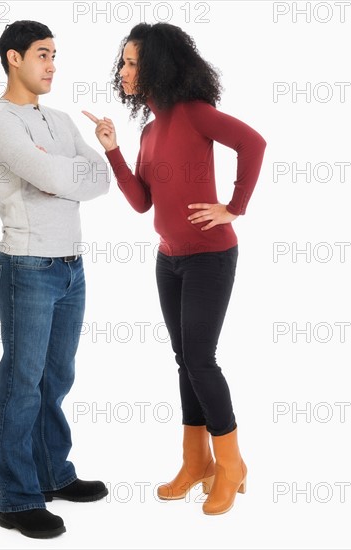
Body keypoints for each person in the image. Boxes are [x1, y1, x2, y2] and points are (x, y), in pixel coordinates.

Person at [84, 22, 266, 515]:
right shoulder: (148, 130)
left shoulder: (193, 113)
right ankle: (196, 462)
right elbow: (142, 202)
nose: (123, 70)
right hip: (168, 260)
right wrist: (113, 150)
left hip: (210, 256)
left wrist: (235, 206)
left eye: (132, 62)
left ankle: (232, 465)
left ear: (159, 66)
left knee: (201, 360)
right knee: (185, 361)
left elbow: (254, 143)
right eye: (122, 61)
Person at [0, 20, 110, 539]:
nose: (52, 64)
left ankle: (54, 474)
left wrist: (65, 171)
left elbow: (100, 178)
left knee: (57, 380)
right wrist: (62, 173)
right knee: (21, 383)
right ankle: (17, 498)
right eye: (42, 54)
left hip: (72, 266)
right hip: (28, 266)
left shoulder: (56, 118)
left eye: (55, 54)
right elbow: (57, 177)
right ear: (14, 58)